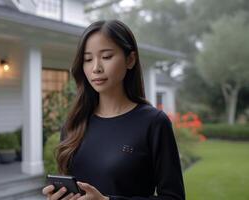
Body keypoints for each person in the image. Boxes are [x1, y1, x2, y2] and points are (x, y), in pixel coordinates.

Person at [42, 20, 185, 200]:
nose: (96, 68)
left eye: (107, 56)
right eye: (87, 59)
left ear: (130, 60)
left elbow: (174, 198)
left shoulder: (154, 122)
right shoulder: (74, 124)